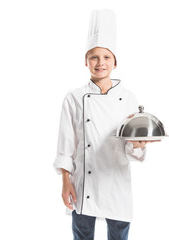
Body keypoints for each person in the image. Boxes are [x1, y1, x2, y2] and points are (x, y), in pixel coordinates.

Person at [53, 9, 158, 240]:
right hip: (83, 185)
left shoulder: (128, 97)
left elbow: (130, 147)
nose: (100, 63)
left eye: (106, 57)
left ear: (115, 62)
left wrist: (139, 145)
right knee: (82, 236)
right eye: (94, 57)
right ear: (85, 61)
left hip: (117, 183)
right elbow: (65, 145)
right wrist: (65, 181)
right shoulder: (74, 97)